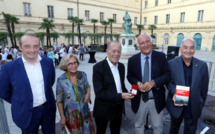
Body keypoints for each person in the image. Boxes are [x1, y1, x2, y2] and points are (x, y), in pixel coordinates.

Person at [0, 33, 56, 134]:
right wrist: (20, 100)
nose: (32, 50)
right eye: (27, 46)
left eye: (35, 46)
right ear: (20, 47)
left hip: (48, 110)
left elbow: (50, 82)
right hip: (26, 113)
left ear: (39, 46)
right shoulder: (9, 68)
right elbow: (3, 91)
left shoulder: (48, 62)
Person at [127, 34, 170, 134]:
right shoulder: (132, 60)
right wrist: (137, 83)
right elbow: (129, 76)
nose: (145, 45)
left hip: (156, 99)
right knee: (139, 125)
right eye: (142, 43)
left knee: (158, 126)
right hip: (140, 99)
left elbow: (167, 75)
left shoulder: (161, 56)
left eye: (147, 41)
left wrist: (154, 82)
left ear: (151, 42)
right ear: (138, 45)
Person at [166, 38, 209, 134]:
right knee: (173, 130)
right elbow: (168, 82)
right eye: (185, 47)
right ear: (181, 49)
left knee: (190, 131)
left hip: (193, 107)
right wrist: (174, 93)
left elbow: (204, 88)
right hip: (176, 105)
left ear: (195, 49)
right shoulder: (171, 63)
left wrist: (200, 103)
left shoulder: (202, 65)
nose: (188, 51)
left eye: (191, 48)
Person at [93, 41, 134, 134]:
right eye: (114, 51)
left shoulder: (122, 67)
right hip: (103, 109)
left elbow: (120, 86)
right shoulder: (98, 68)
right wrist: (120, 96)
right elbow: (99, 93)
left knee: (116, 131)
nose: (116, 54)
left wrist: (129, 93)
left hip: (117, 109)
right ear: (107, 51)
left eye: (119, 51)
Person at [56, 53, 95, 134]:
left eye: (75, 62)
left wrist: (88, 94)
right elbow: (59, 101)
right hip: (70, 115)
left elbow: (87, 85)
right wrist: (62, 116)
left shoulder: (83, 75)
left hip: (84, 112)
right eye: (70, 64)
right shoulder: (61, 80)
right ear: (65, 66)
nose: (73, 65)